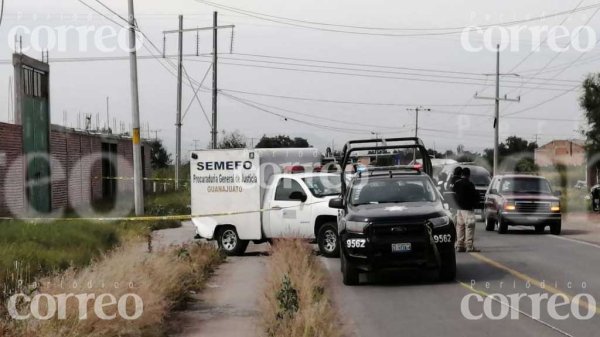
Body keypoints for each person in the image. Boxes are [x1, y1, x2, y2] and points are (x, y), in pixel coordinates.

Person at [452, 167, 480, 253]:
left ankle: (460, 245)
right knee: (470, 226)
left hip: (459, 209)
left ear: (461, 174)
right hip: (467, 208)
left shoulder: (457, 184)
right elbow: (474, 195)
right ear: (469, 175)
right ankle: (469, 246)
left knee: (460, 226)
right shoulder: (469, 184)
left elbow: (453, 194)